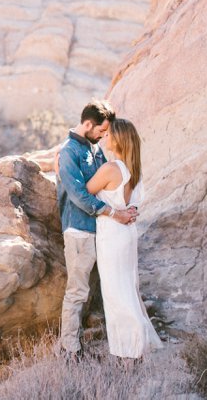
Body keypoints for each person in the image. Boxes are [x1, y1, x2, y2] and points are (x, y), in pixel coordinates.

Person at [56, 99, 136, 356]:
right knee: (77, 291)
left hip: (101, 231)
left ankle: (103, 341)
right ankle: (69, 350)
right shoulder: (69, 151)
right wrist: (114, 213)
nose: (103, 136)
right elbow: (79, 195)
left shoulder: (94, 148)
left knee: (102, 290)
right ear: (88, 124)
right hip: (79, 231)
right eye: (101, 131)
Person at [86, 118, 163, 359]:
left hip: (112, 235)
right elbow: (133, 205)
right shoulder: (134, 170)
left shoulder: (111, 169)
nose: (105, 138)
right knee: (128, 287)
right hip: (127, 234)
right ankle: (137, 345)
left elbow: (86, 190)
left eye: (109, 134)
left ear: (118, 139)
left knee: (116, 293)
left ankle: (130, 350)